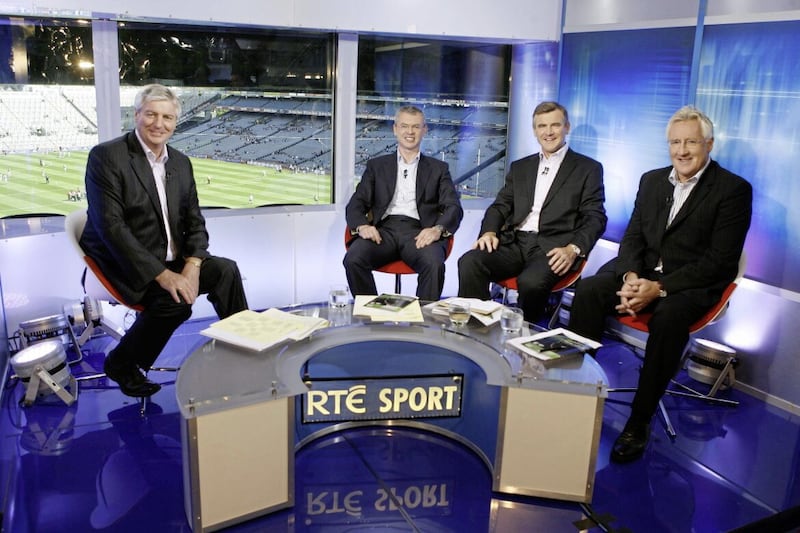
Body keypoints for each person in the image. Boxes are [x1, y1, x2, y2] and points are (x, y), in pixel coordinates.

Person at [568, 105, 752, 463]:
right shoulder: (652, 180)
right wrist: (632, 278)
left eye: (691, 143)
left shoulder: (733, 190)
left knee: (668, 320)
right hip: (643, 275)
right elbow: (633, 238)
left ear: (709, 144)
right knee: (589, 290)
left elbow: (720, 263)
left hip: (691, 286)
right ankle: (576, 395)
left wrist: (660, 288)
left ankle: (638, 422)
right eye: (675, 142)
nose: (681, 151)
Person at [80, 84, 248, 398]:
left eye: (167, 117)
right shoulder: (107, 157)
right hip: (123, 262)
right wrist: (164, 274)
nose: (160, 124)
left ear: (175, 122)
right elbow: (111, 229)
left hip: (170, 256)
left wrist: (193, 265)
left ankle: (244, 346)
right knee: (177, 302)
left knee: (226, 271)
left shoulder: (181, 163)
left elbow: (195, 221)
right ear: (136, 115)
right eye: (152, 115)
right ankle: (122, 363)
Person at [457, 101, 606, 321]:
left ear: (567, 127)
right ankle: (477, 329)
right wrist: (489, 232)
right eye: (541, 126)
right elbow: (500, 206)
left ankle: (524, 338)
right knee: (470, 262)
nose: (548, 132)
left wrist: (574, 249)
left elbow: (595, 217)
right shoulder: (521, 167)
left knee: (530, 282)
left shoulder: (587, 168)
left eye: (555, 125)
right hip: (515, 244)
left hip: (554, 248)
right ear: (535, 130)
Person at [344, 105, 463, 301]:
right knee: (353, 259)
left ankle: (422, 323)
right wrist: (362, 226)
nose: (410, 132)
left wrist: (438, 229)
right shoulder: (377, 166)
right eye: (405, 126)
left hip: (420, 232)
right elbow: (356, 203)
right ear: (395, 129)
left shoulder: (438, 169)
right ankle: (371, 315)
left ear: (424, 130)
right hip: (383, 231)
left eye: (416, 127)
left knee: (434, 264)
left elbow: (453, 207)